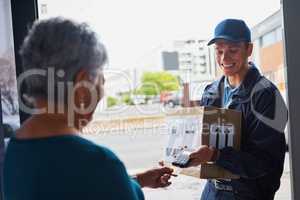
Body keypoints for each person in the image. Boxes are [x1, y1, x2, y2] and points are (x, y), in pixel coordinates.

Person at [3, 18, 174, 200]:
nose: (103, 89)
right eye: (101, 78)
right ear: (82, 85)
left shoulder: (14, 149)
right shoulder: (99, 163)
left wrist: (136, 180)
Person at [186, 19, 288, 200]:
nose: (224, 59)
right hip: (212, 192)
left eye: (233, 50)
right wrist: (182, 158)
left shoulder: (266, 96)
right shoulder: (210, 91)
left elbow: (264, 162)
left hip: (247, 194)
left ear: (249, 49)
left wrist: (216, 155)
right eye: (219, 51)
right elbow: (201, 141)